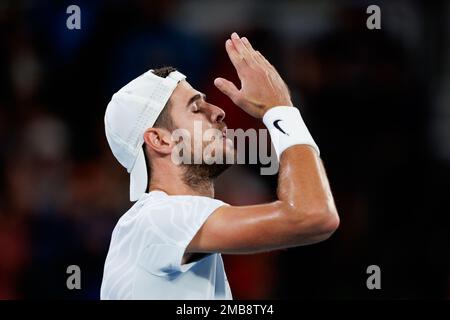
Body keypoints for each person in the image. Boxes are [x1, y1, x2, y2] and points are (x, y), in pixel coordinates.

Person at [100, 32, 339, 300]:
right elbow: (313, 216)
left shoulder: (162, 224)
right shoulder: (158, 217)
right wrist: (281, 109)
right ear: (159, 139)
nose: (217, 111)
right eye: (195, 108)